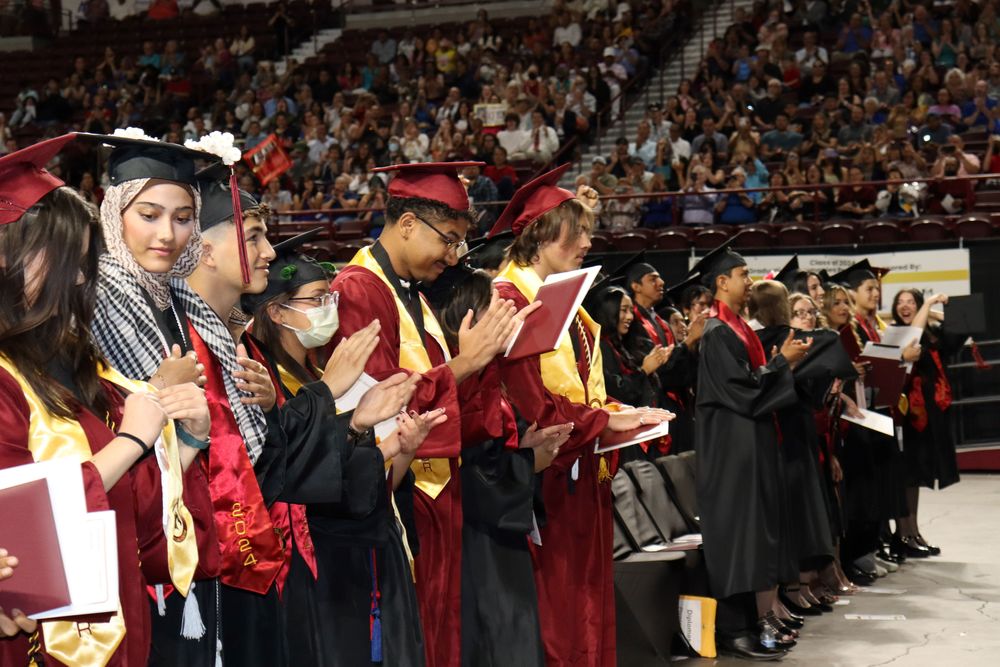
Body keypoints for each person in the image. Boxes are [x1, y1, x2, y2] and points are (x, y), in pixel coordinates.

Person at [0, 136, 209, 666]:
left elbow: (136, 521)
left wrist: (184, 442)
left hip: (115, 625)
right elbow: (19, 519)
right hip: (33, 638)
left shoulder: (83, 370)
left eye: (85, 262)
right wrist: (133, 440)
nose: (79, 277)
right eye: (68, 258)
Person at [329, 161, 523, 667]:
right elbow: (377, 408)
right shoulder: (360, 289)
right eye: (450, 239)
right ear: (409, 223)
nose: (454, 255)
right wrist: (466, 361)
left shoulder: (406, 290)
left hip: (432, 489)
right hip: (397, 494)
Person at [488, 164, 673, 665]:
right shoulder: (510, 298)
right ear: (542, 235)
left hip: (579, 466)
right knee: (558, 602)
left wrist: (618, 413)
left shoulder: (564, 300)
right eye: (579, 231)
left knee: (584, 598)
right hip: (543, 474)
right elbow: (528, 402)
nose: (589, 242)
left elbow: (580, 386)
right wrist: (601, 422)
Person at [240, 229, 437, 665]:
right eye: (317, 299)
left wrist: (400, 449)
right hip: (307, 566)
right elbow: (293, 476)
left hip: (357, 554)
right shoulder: (267, 381)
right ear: (276, 311)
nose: (331, 308)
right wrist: (357, 422)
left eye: (331, 297)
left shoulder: (321, 375)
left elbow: (369, 489)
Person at [429, 258, 564, 667]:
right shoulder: (457, 386)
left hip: (499, 537)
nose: (507, 313)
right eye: (494, 306)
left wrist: (524, 446)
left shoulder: (491, 374)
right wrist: (529, 462)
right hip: (474, 542)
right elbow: (473, 475)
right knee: (495, 639)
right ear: (465, 318)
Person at [690, 239, 812, 660]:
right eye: (743, 275)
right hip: (731, 456)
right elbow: (743, 393)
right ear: (722, 282)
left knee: (752, 535)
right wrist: (784, 365)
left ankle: (752, 622)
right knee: (736, 538)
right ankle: (733, 628)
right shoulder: (717, 332)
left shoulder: (735, 328)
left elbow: (750, 383)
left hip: (748, 449)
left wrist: (779, 366)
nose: (750, 282)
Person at [749, 281, 838, 624]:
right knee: (791, 514)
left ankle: (794, 588)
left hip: (793, 428)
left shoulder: (768, 339)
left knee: (799, 512)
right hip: (781, 429)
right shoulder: (767, 340)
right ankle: (790, 588)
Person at [891, 289, 961, 558]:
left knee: (917, 476)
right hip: (906, 414)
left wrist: (931, 310)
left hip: (927, 415)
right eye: (900, 302)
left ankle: (913, 531)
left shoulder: (930, 331)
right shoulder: (897, 332)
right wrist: (928, 303)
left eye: (912, 302)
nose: (905, 306)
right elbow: (914, 336)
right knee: (907, 475)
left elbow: (956, 331)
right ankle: (903, 533)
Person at [627, 261, 702, 454]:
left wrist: (691, 346)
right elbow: (660, 369)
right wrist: (688, 342)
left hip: (676, 403)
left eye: (659, 278)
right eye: (652, 279)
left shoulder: (659, 321)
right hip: (652, 404)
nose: (661, 282)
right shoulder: (633, 324)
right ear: (635, 286)